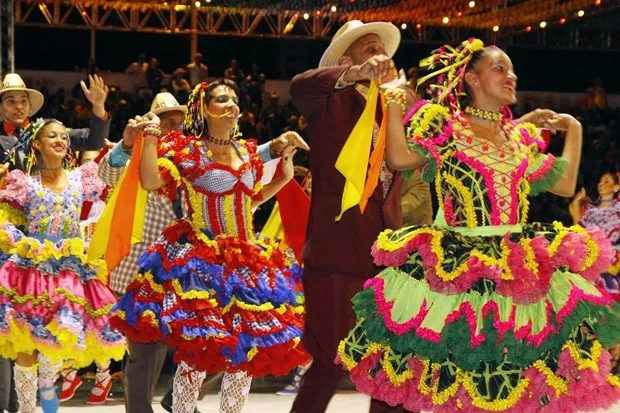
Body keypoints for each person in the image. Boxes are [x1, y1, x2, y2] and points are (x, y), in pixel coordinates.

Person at [337, 38, 620, 412]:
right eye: (499, 68)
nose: (511, 76)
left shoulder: (520, 138)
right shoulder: (446, 128)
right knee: (465, 381)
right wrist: (390, 102)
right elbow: (400, 156)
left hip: (520, 269)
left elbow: (566, 185)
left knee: (515, 380)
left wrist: (575, 128)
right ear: (471, 77)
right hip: (461, 269)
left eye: (512, 69)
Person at [109, 79, 310, 413]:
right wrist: (150, 139)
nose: (232, 105)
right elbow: (150, 181)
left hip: (247, 263)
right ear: (203, 108)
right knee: (198, 354)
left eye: (234, 99)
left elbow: (249, 200)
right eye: (221, 99)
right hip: (202, 262)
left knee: (244, 355)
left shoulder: (246, 150)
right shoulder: (188, 150)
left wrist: (284, 178)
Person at [289, 19, 420, 413]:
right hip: (336, 250)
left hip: (389, 251)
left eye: (384, 52)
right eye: (370, 50)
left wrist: (411, 105)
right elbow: (299, 85)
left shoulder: (394, 110)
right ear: (348, 60)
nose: (382, 59)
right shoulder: (329, 99)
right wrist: (354, 74)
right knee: (329, 361)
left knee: (391, 361)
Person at [0, 72, 110, 413]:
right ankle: (19, 405)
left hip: (62, 265)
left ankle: (41, 395)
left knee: (50, 339)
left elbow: (97, 139)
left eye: (23, 100)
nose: (18, 106)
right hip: (23, 257)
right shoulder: (20, 169)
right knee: (18, 336)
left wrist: (99, 108)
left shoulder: (56, 142)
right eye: (10, 100)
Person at [570, 171, 620, 300]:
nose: (601, 184)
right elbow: (578, 231)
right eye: (601, 181)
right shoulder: (590, 211)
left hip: (610, 265)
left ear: (616, 187)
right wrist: (576, 205)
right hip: (589, 262)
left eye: (607, 181)